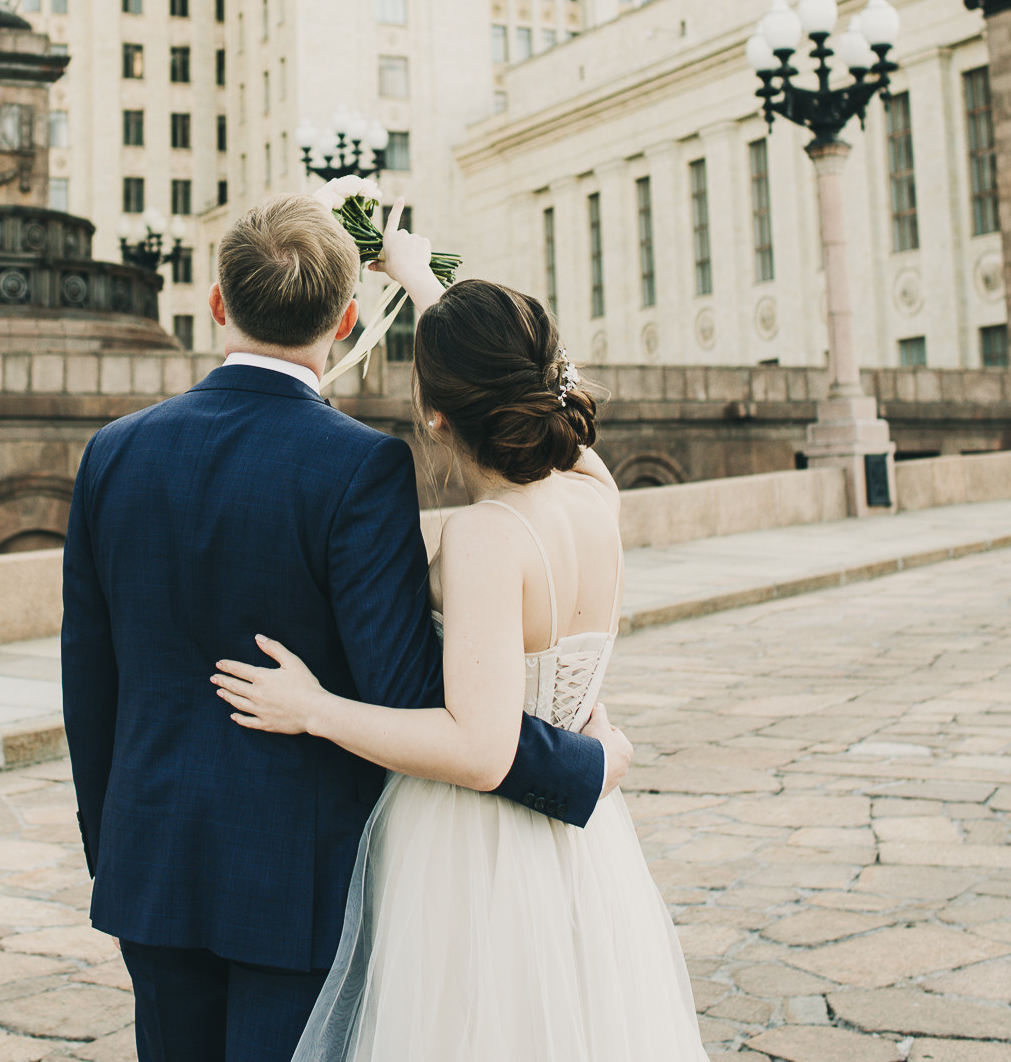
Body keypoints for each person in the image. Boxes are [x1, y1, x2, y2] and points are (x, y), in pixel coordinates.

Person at [62, 194, 633, 1062]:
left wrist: (117, 850)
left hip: (151, 862)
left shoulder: (114, 450)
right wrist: (588, 761)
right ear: (348, 317)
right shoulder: (358, 465)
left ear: (217, 303)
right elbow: (408, 692)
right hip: (300, 881)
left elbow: (88, 679)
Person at [212, 214, 705, 1061]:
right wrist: (419, 280)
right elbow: (498, 373)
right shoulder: (595, 490)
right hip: (582, 845)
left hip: (476, 848)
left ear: (433, 417)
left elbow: (478, 749)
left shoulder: (486, 538)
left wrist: (315, 707)